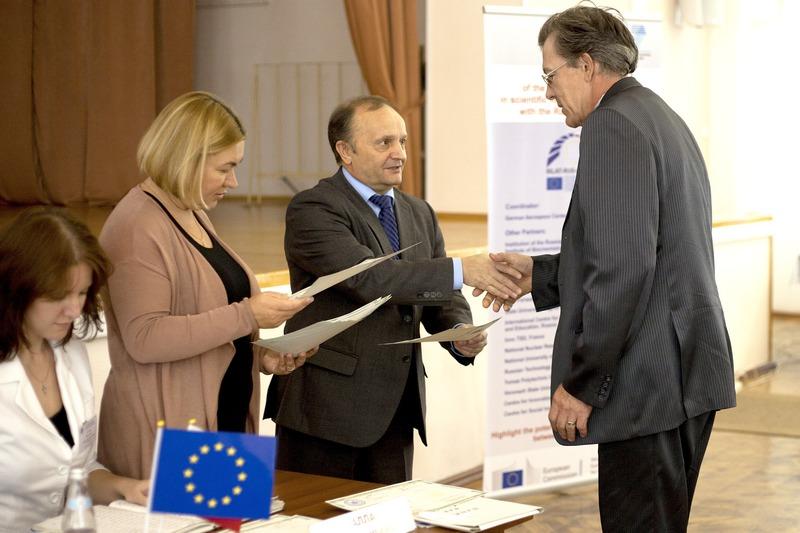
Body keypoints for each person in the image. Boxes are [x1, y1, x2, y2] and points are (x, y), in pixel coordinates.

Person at [482, 6, 736, 532]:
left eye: (550, 75)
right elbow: (650, 252)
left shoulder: (611, 125)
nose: (548, 92)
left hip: (647, 384)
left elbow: (624, 271)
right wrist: (543, 276)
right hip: (683, 371)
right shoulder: (658, 115)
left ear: (586, 64)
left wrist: (582, 383)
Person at [265, 95, 522, 483]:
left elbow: (439, 294)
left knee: (391, 512)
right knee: (316, 514)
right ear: (345, 151)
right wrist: (461, 270)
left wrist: (457, 332)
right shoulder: (314, 208)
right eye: (384, 142)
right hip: (326, 412)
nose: (400, 153)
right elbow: (368, 279)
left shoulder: (419, 212)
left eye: (402, 140)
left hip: (397, 410)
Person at [97, 91, 316, 480]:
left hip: (223, 417)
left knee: (240, 515)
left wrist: (261, 355)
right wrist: (247, 314)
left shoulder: (191, 212)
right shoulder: (137, 226)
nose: (233, 181)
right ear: (186, 159)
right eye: (224, 168)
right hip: (172, 429)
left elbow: (208, 320)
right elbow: (145, 338)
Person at [0, 209, 149, 532]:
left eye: (81, 293)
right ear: (17, 287)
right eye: (58, 296)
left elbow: (76, 471)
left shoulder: (71, 353)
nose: (74, 310)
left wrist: (125, 487)